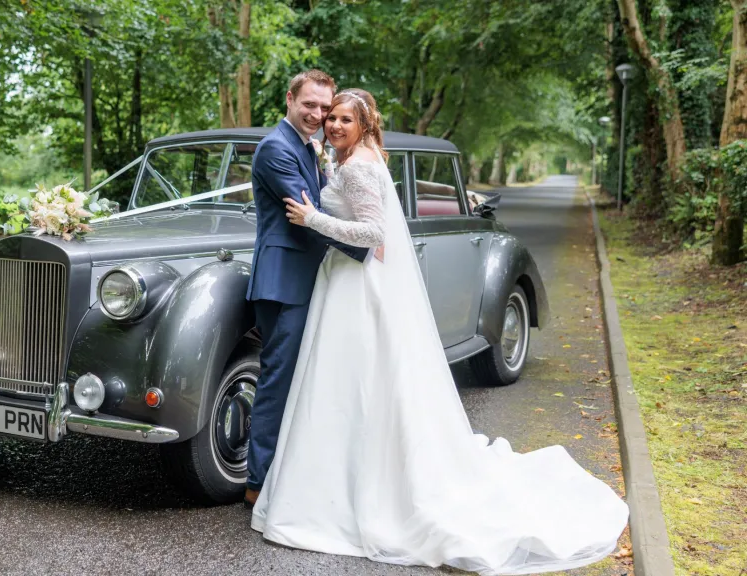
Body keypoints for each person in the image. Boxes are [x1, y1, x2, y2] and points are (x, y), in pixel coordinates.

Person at [251, 87, 630, 575]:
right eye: (330, 118)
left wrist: (315, 217)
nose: (332, 124)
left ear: (364, 125)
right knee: (342, 385)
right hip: (340, 281)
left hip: (352, 280)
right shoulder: (340, 157)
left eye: (344, 118)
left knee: (355, 384)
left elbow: (373, 233)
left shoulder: (360, 165)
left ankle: (350, 490)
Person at [244, 70, 370, 509]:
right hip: (285, 283)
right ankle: (257, 482)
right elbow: (307, 214)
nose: (318, 115)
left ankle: (290, 474)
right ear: (290, 99)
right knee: (278, 382)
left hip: (310, 278)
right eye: (310, 105)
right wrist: (369, 249)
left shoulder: (309, 146)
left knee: (306, 382)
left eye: (324, 107)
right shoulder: (276, 149)